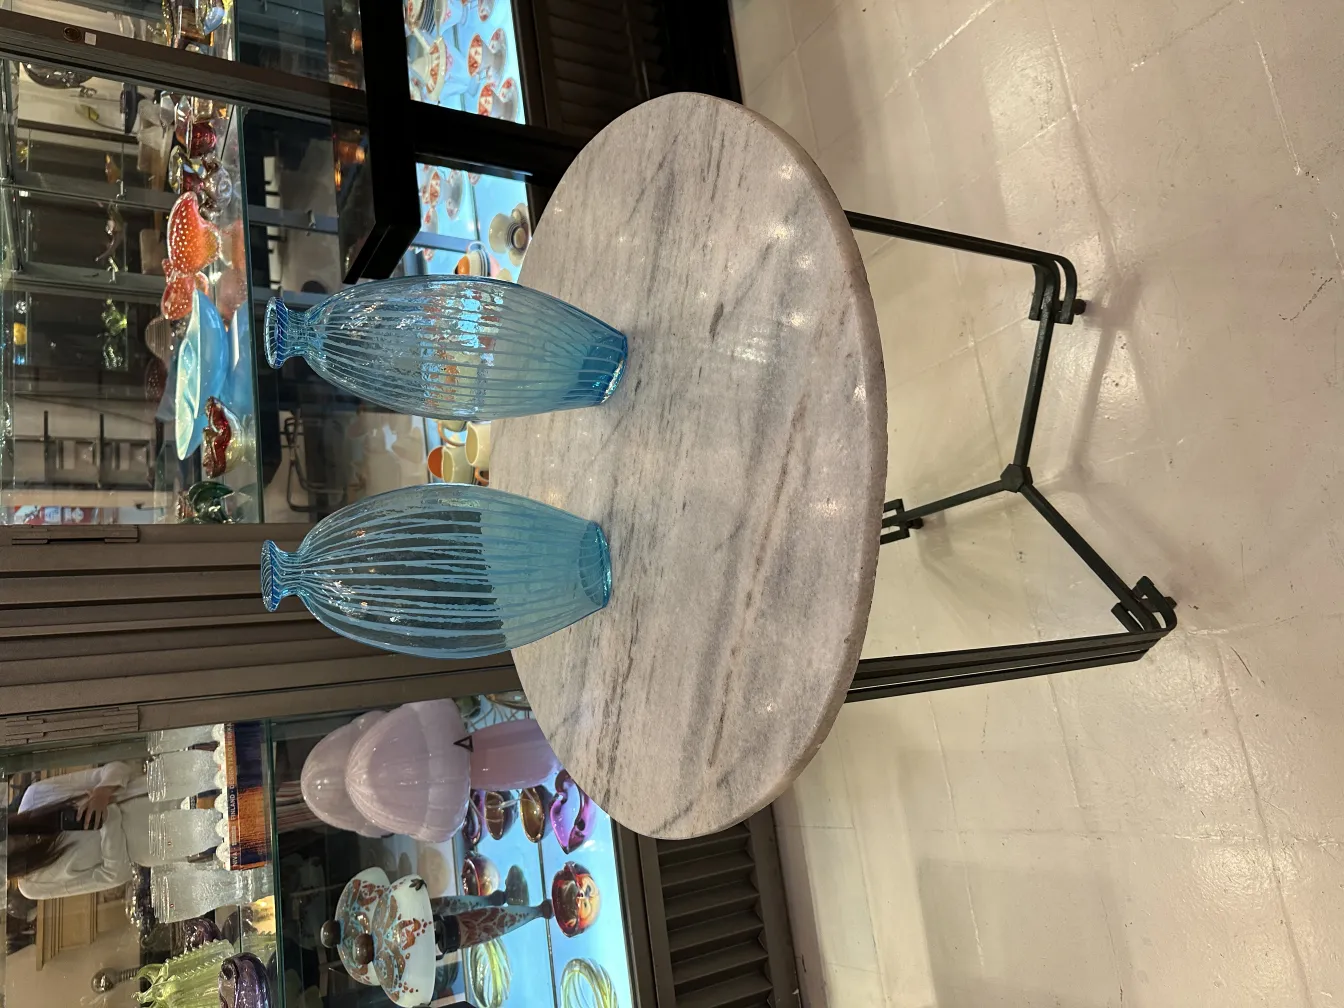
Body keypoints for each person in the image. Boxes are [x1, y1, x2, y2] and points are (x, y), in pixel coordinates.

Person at [6, 761, 159, 899]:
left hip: (155, 789)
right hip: (156, 841)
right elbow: (116, 875)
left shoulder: (34, 796)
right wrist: (109, 820)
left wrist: (102, 791)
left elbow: (119, 769)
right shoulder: (32, 885)